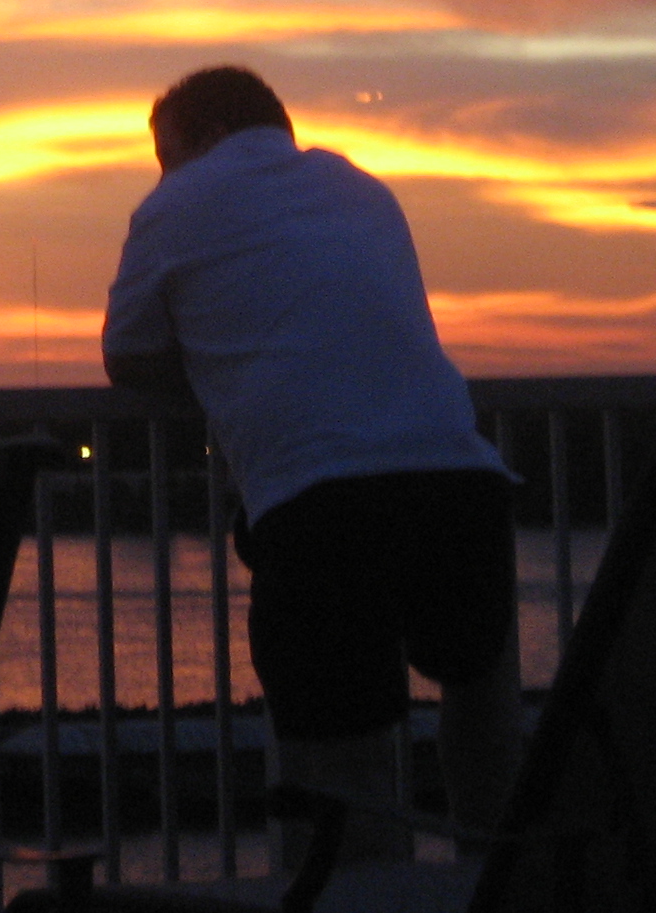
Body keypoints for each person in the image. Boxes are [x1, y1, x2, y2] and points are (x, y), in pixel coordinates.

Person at [102, 64, 524, 856]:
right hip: (462, 484)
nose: (164, 177)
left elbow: (126, 355)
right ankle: (503, 880)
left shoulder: (172, 207)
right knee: (487, 728)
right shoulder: (362, 189)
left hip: (321, 507)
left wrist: (216, 367)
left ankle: (355, 891)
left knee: (339, 778)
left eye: (167, 157)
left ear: (209, 136)